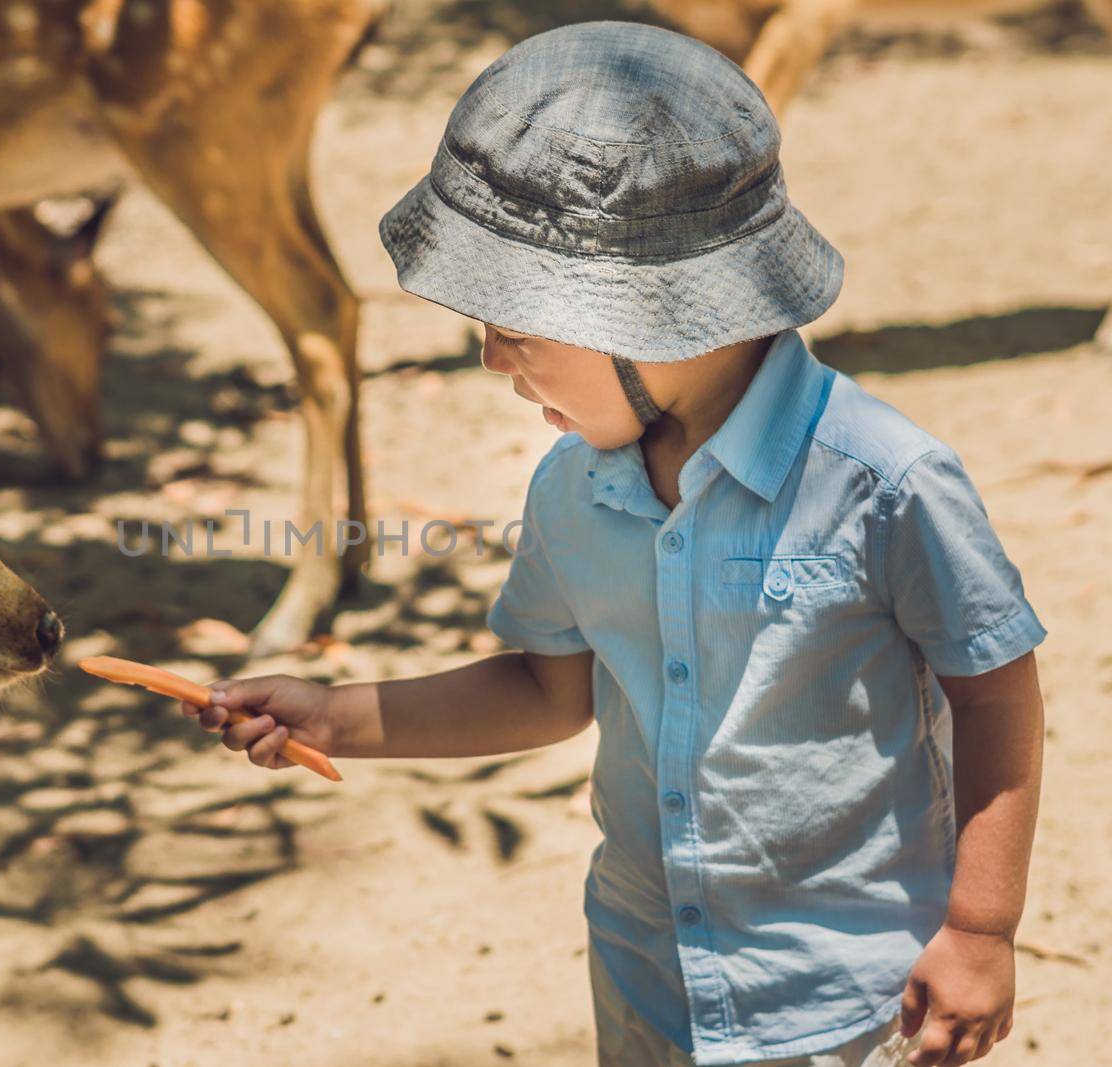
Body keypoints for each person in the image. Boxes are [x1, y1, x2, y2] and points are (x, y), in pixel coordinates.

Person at [179, 21, 1047, 1067]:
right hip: (645, 970)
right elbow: (551, 690)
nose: (492, 357)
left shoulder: (881, 482)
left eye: (518, 325)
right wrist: (339, 716)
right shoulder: (573, 487)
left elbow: (995, 690)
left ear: (659, 315)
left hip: (846, 1003)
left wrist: (980, 928)